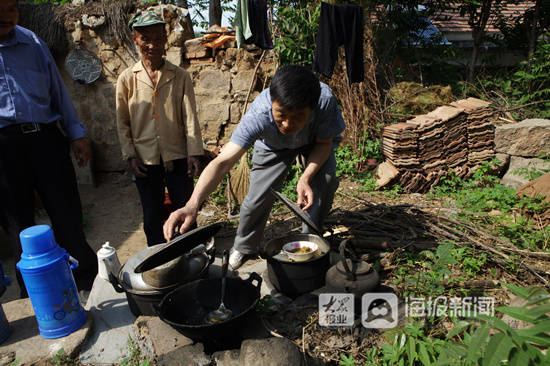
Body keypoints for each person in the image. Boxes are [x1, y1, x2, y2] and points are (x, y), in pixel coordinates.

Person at [163, 65, 346, 269]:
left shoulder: (324, 101)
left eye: (297, 117)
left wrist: (306, 177)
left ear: (312, 109)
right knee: (256, 199)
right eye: (281, 114)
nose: (287, 124)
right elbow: (222, 162)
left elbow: (323, 144)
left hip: (313, 142)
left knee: (326, 183)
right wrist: (191, 205)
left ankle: (311, 237)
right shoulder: (259, 113)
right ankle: (244, 246)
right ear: (272, 102)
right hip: (273, 146)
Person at [0, 0, 97, 297]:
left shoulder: (32, 41)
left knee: (67, 211)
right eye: (0, 9)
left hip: (45, 139)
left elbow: (58, 90)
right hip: (3, 147)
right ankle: (35, 293)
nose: (8, 15)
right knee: (19, 223)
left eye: (12, 8)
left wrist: (76, 134)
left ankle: (87, 282)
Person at [116, 10, 204, 246]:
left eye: (158, 38)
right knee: (152, 216)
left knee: (185, 212)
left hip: (177, 155)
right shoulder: (127, 79)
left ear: (165, 39)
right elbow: (122, 121)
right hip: (145, 160)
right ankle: (157, 261)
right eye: (145, 38)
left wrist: (194, 152)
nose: (152, 45)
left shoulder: (180, 76)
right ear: (135, 40)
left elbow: (190, 116)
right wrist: (129, 155)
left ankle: (192, 254)